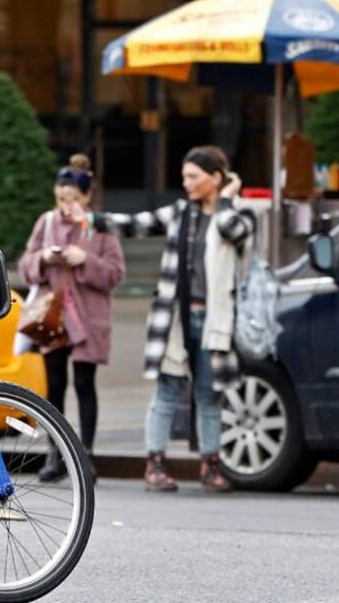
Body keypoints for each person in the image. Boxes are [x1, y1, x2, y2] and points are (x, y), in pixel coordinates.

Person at [79, 146, 252, 493]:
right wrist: (93, 219)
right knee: (167, 390)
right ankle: (154, 464)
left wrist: (228, 200)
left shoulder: (237, 215)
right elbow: (137, 223)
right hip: (175, 319)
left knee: (209, 393)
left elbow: (236, 231)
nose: (186, 183)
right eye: (184, 176)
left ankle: (210, 464)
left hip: (214, 320)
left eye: (193, 177)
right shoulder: (180, 212)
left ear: (216, 178)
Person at [18, 154, 125, 481]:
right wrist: (44, 259)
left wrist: (85, 260)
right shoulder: (46, 223)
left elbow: (116, 273)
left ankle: (85, 458)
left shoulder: (100, 226)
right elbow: (24, 267)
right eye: (61, 198)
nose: (66, 205)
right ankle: (55, 456)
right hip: (53, 317)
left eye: (73, 199)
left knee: (83, 383)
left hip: (88, 318)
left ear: (87, 197)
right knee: (55, 385)